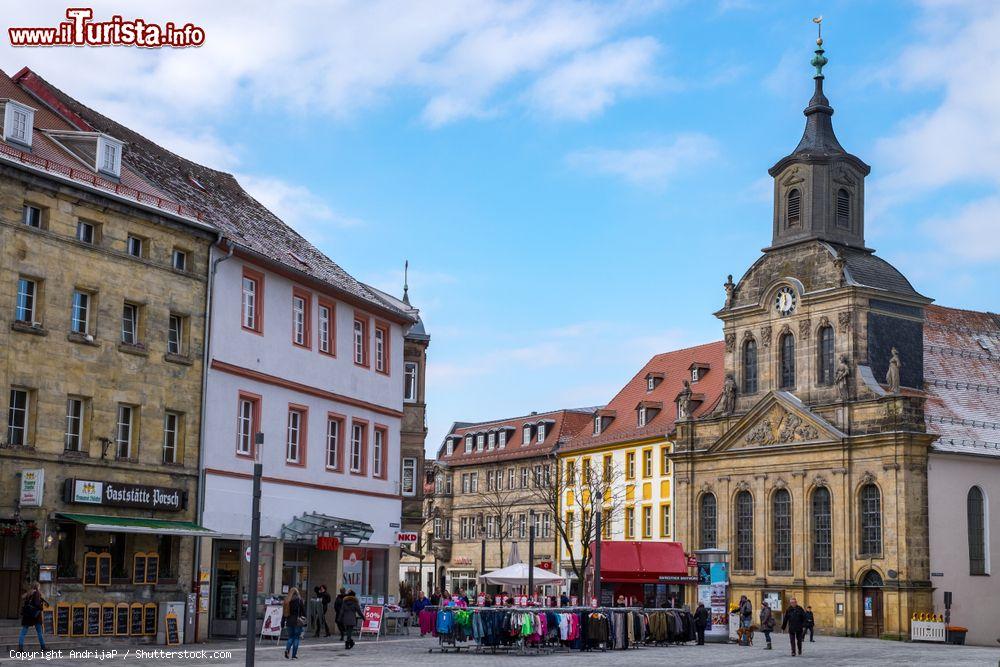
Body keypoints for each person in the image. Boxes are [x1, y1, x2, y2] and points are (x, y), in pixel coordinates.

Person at [18, 584, 46, 652]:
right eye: (39, 587)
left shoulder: (28, 594)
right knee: (39, 632)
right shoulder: (37, 593)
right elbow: (37, 604)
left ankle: (20, 648)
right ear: (37, 587)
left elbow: (25, 601)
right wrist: (41, 607)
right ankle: (43, 647)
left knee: (23, 632)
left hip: (27, 615)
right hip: (35, 616)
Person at [283, 588, 306, 660]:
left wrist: (282, 622)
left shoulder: (287, 601)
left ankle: (287, 649)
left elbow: (284, 613)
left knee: (290, 637)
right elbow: (303, 612)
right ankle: (293, 655)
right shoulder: (299, 601)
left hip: (289, 621)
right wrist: (304, 619)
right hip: (297, 621)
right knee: (296, 638)